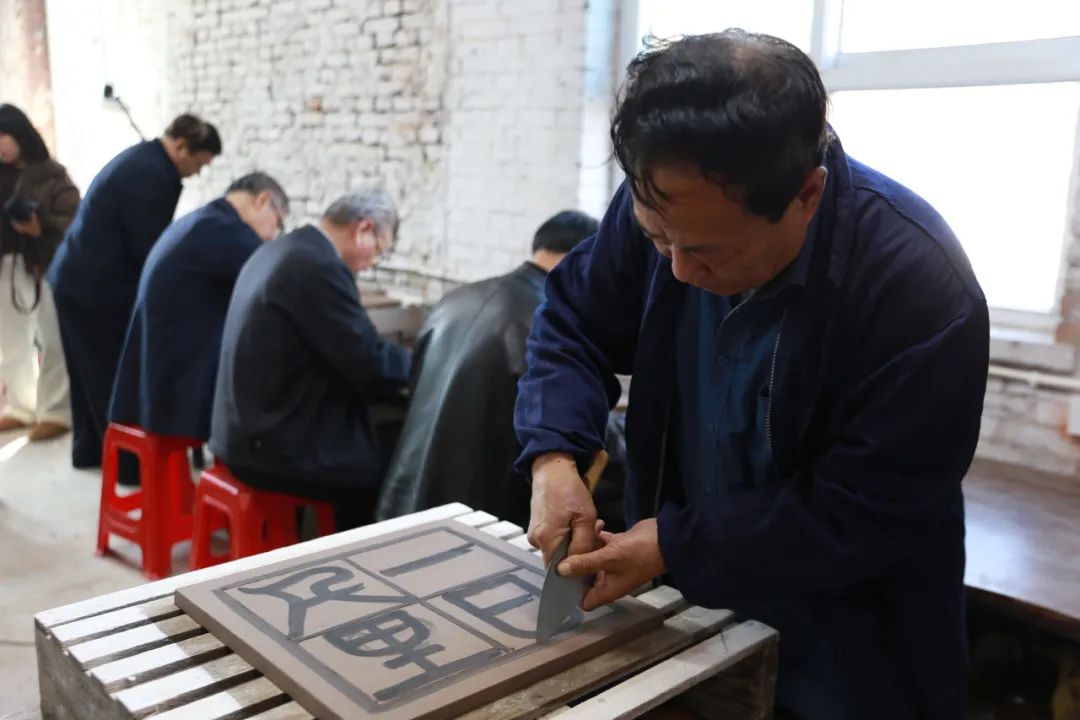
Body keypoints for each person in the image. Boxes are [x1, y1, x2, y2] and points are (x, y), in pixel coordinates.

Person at [515, 31, 988, 719]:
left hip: (847, 634)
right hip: (686, 604)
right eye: (657, 240)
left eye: (709, 252)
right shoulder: (665, 205)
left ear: (806, 195)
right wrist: (554, 456)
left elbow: (866, 506)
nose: (677, 271)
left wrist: (674, 543)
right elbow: (572, 321)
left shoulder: (918, 286)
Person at [376, 210, 598, 527]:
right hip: (478, 515)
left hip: (404, 498)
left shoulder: (455, 299)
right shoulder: (550, 322)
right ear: (588, 260)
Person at [210, 190, 411, 529]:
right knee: (390, 466)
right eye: (379, 250)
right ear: (363, 229)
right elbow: (368, 362)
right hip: (265, 446)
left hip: (241, 430)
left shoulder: (284, 248)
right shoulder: (317, 267)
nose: (373, 263)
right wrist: (421, 363)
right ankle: (352, 555)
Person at [47, 113, 220, 467]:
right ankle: (127, 464)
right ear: (181, 147)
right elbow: (149, 249)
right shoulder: (153, 175)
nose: (198, 173)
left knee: (86, 373)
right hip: (95, 286)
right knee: (110, 375)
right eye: (200, 164)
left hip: (75, 278)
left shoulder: (145, 161)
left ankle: (90, 451)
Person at [108, 172, 288, 463]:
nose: (270, 235)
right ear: (263, 201)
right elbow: (278, 280)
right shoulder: (225, 231)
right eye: (277, 223)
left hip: (155, 375)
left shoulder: (203, 220)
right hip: (176, 383)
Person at [0, 104, 79, 441]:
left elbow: (74, 220)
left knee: (52, 336)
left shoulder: (51, 174)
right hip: (6, 263)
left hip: (45, 261)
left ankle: (56, 410)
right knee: (11, 339)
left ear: (20, 135)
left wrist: (41, 226)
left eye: (4, 136)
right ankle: (20, 406)